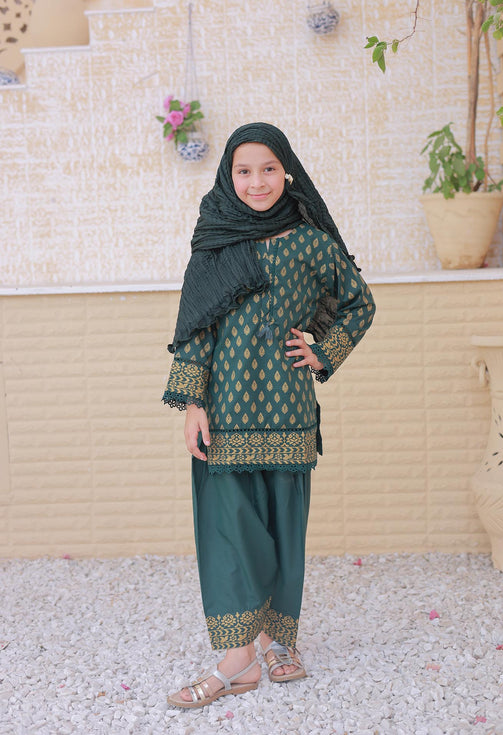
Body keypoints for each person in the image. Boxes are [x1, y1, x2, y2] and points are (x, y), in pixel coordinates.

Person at [162, 122, 375, 709]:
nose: (257, 182)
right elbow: (196, 330)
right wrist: (192, 403)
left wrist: (322, 349)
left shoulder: (312, 242)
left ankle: (278, 640)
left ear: (288, 172)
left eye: (268, 169)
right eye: (244, 171)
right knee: (228, 531)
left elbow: (358, 302)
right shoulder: (216, 241)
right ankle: (239, 659)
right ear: (229, 177)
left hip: (286, 410)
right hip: (225, 415)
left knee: (283, 530)